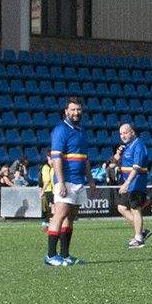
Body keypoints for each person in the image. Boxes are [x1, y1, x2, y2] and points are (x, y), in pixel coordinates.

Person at [44, 97, 89, 267]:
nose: (76, 112)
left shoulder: (81, 131)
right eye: (72, 109)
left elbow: (85, 158)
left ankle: (65, 255)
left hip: (79, 181)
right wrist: (61, 182)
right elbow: (56, 158)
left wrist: (90, 181)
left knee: (70, 217)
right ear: (66, 111)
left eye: (78, 109)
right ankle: (50, 255)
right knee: (60, 214)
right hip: (66, 180)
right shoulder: (60, 130)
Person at [114, 122, 152, 247]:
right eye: (121, 133)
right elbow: (115, 161)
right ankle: (142, 231)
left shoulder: (138, 145)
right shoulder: (127, 146)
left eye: (125, 133)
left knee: (135, 209)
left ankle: (139, 239)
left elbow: (136, 167)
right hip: (129, 184)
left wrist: (126, 183)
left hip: (136, 183)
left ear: (132, 132)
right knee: (122, 208)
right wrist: (118, 155)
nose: (123, 136)